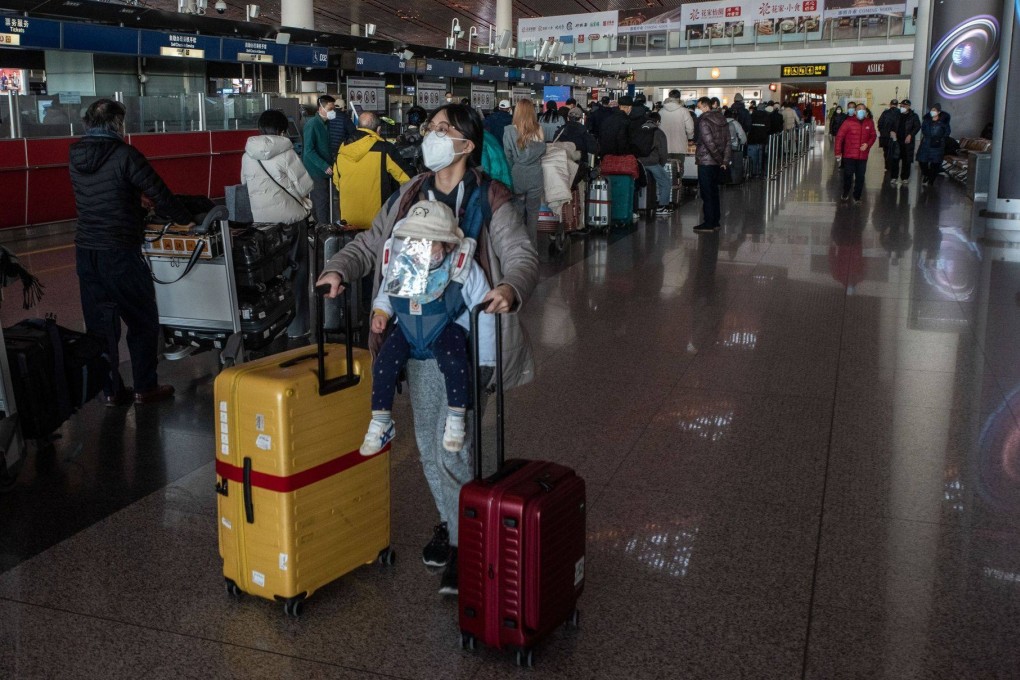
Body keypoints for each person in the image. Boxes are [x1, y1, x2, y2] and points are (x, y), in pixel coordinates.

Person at [315, 103, 539, 597]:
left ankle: (467, 544)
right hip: (417, 336)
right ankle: (455, 521)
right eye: (430, 128)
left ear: (467, 143)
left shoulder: (489, 197)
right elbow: (372, 244)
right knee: (428, 446)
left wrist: (509, 288)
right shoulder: (410, 194)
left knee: (449, 447)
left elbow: (520, 254)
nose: (432, 136)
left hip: (468, 339)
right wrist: (339, 269)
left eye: (444, 129)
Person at [69, 99, 193, 405]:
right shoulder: (124, 154)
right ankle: (145, 387)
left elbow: (101, 193)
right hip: (119, 250)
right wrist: (186, 220)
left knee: (101, 326)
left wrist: (130, 200)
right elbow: (159, 193)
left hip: (86, 250)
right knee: (142, 320)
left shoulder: (75, 154)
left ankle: (110, 391)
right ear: (116, 124)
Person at [360, 200, 494, 456]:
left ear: (448, 244)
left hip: (444, 327)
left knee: (455, 363)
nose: (420, 248)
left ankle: (456, 418)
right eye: (414, 241)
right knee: (383, 366)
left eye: (429, 241)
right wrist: (381, 313)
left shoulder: (461, 267)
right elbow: (387, 293)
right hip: (407, 328)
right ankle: (381, 421)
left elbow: (484, 305)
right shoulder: (403, 265)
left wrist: (487, 358)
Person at [241, 109, 315, 337]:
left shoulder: (248, 154)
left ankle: (275, 326)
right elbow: (305, 186)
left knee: (270, 278)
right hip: (290, 222)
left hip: (262, 226)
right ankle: (297, 328)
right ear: (283, 130)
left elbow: (244, 184)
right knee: (298, 273)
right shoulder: (286, 151)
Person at [334, 111, 413, 230]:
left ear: (358, 127)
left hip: (349, 222)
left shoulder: (342, 149)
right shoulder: (384, 148)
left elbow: (337, 183)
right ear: (379, 129)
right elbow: (407, 178)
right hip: (378, 222)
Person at [503, 99, 546, 245]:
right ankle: (532, 245)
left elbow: (508, 156)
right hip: (535, 174)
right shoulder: (538, 129)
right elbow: (541, 153)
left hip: (518, 174)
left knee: (518, 211)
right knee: (533, 213)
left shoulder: (509, 130)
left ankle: (519, 246)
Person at [693, 96, 731, 233]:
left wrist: (719, 159)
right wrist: (724, 160)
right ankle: (715, 221)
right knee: (714, 192)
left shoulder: (703, 120)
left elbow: (709, 143)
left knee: (706, 193)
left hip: (706, 161)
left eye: (699, 107)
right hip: (717, 163)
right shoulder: (722, 119)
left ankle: (708, 222)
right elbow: (728, 141)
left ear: (705, 106)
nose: (698, 109)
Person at [301, 94, 337, 225]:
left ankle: (320, 227)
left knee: (321, 201)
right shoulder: (312, 124)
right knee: (321, 201)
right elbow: (308, 151)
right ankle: (324, 231)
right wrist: (324, 166)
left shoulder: (325, 123)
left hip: (323, 169)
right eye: (330, 108)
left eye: (334, 108)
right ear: (320, 108)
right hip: (316, 171)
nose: (333, 111)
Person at [834, 104, 877, 203]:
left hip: (862, 155)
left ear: (866, 111)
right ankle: (845, 192)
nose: (861, 111)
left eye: (863, 109)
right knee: (848, 175)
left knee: (860, 176)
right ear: (855, 111)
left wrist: (868, 144)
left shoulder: (869, 123)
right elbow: (839, 137)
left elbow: (873, 136)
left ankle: (857, 196)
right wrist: (838, 152)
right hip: (849, 155)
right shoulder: (848, 122)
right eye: (859, 109)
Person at [635, 112, 673, 216]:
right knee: (665, 182)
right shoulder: (658, 132)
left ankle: (636, 208)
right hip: (652, 162)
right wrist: (661, 163)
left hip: (638, 162)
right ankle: (662, 207)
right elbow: (663, 152)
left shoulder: (638, 129)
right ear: (657, 121)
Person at [660, 89, 695, 170]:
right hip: (679, 146)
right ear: (679, 98)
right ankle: (678, 182)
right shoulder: (684, 111)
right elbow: (690, 128)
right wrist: (690, 138)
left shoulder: (661, 111)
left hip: (664, 147)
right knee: (678, 169)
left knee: (665, 169)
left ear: (669, 97)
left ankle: (667, 183)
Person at [890, 98, 921, 186]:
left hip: (907, 142)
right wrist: (892, 131)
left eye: (904, 106)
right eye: (901, 106)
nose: (902, 107)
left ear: (909, 107)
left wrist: (911, 135)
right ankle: (894, 177)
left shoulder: (914, 116)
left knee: (906, 160)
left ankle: (905, 178)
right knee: (895, 159)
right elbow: (892, 125)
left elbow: (917, 126)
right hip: (897, 141)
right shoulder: (897, 115)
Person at [917, 106, 950, 185]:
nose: (932, 111)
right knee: (922, 161)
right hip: (926, 143)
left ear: (939, 112)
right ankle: (926, 174)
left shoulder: (943, 122)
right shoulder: (926, 120)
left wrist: (939, 138)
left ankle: (931, 181)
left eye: (934, 110)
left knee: (935, 164)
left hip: (938, 145)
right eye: (931, 110)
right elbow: (923, 130)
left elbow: (947, 132)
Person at [877, 99, 901, 175]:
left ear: (890, 104)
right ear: (897, 105)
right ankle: (893, 167)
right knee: (895, 152)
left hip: (885, 136)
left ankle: (887, 166)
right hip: (896, 136)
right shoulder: (900, 113)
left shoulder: (885, 113)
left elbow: (880, 123)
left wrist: (882, 131)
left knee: (886, 152)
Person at [747, 102, 771, 177]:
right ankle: (760, 172)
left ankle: (753, 172)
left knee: (753, 156)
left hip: (752, 139)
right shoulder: (766, 116)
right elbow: (768, 128)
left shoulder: (752, 115)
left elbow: (748, 126)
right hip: (762, 139)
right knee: (761, 156)